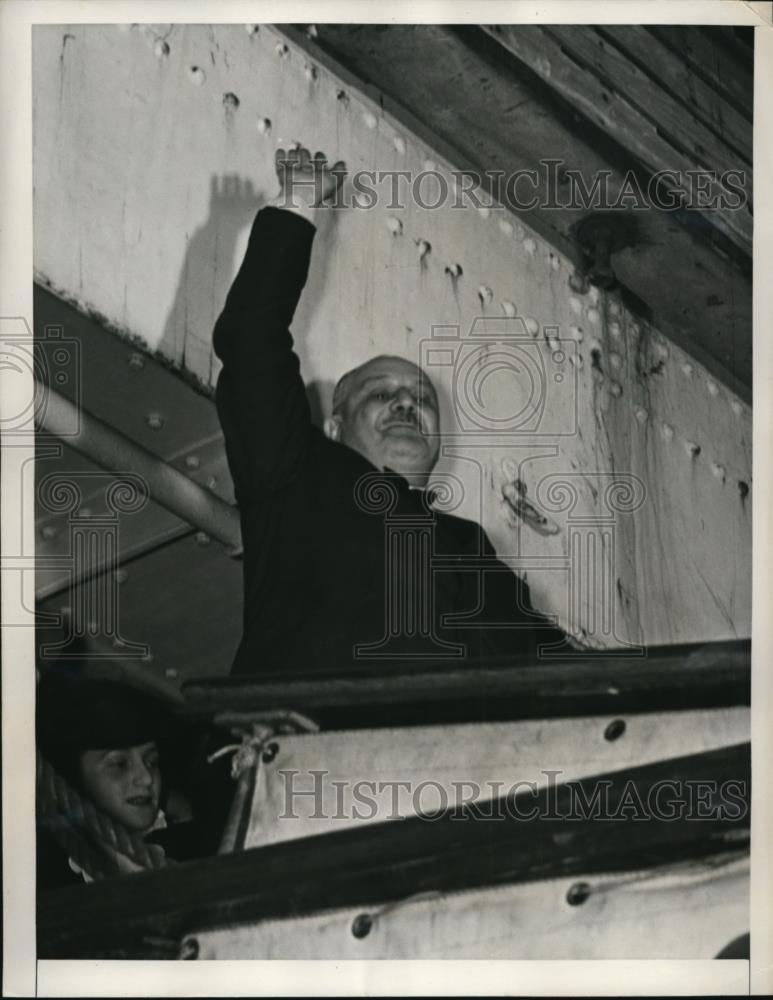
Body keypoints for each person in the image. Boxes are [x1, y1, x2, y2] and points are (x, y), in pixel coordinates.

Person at [213, 146, 568, 676]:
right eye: (381, 394)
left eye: (423, 400)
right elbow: (250, 341)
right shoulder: (298, 476)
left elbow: (555, 666)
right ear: (333, 426)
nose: (407, 403)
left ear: (439, 444)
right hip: (316, 746)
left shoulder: (471, 548)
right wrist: (299, 201)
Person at [36, 665, 204, 888]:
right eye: (119, 765)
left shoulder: (197, 841)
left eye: (152, 762)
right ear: (73, 779)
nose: (146, 778)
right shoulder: (45, 870)